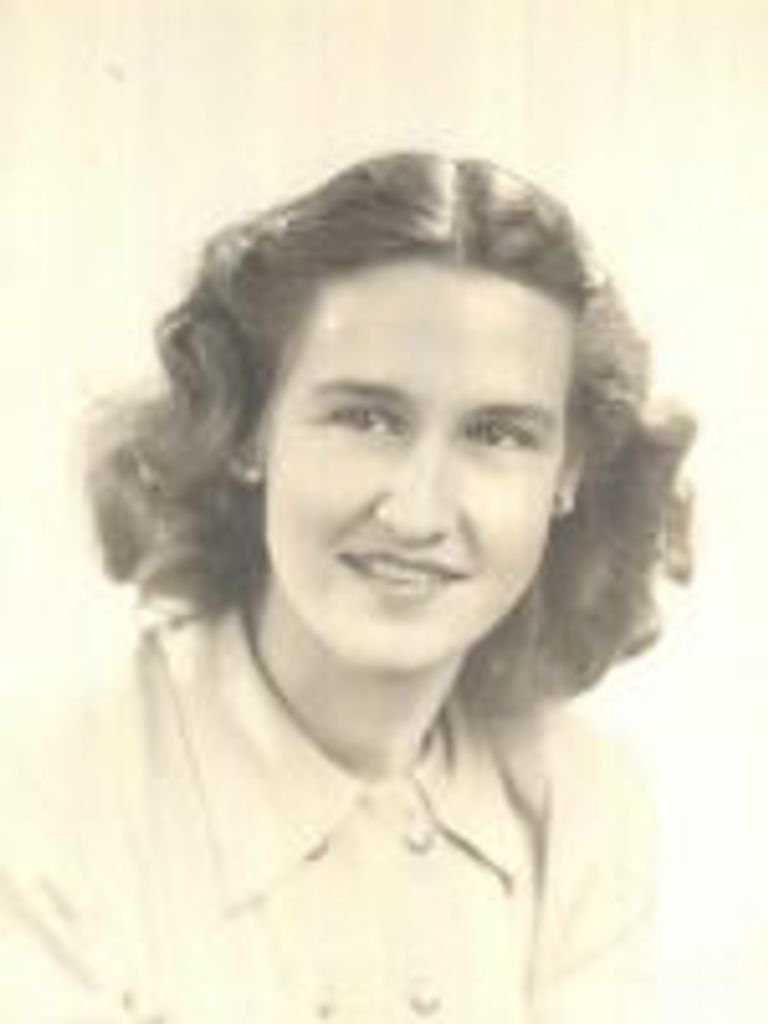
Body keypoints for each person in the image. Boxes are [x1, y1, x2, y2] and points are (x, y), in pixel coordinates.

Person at [0, 152, 693, 1022]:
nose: (417, 511)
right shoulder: (44, 803)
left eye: (497, 434)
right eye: (367, 418)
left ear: (569, 475)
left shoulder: (585, 805)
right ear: (248, 428)